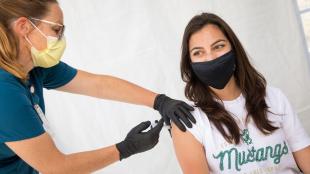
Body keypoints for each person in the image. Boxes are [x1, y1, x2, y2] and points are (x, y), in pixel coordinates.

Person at [0, 0, 196, 173]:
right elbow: (56, 167)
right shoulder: (5, 93)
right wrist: (125, 148)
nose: (61, 39)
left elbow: (98, 85)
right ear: (24, 26)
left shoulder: (33, 66)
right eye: (56, 30)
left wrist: (159, 101)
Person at [172, 12, 310, 174]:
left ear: (234, 49)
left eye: (218, 46)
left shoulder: (274, 98)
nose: (210, 57)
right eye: (198, 52)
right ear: (189, 63)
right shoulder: (189, 122)